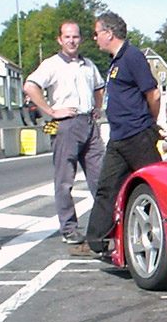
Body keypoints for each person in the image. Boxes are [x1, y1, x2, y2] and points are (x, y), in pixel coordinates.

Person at [79, 12, 163, 257]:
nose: (95, 38)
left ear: (109, 33)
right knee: (107, 187)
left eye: (97, 33)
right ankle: (96, 241)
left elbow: (153, 94)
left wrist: (150, 123)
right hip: (119, 137)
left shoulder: (133, 57)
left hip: (138, 136)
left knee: (156, 188)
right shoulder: (115, 62)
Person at [23, 21, 106, 244]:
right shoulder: (51, 64)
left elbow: (99, 87)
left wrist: (97, 108)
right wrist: (50, 111)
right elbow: (30, 86)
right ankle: (69, 228)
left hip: (89, 123)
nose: (72, 41)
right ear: (60, 40)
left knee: (101, 178)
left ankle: (104, 226)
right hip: (66, 124)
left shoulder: (88, 65)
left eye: (76, 37)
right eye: (67, 37)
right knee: (64, 180)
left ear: (81, 39)